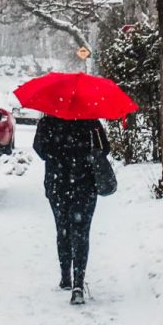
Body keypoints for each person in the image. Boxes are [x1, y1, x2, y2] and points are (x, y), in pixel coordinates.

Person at [33, 115, 110, 305]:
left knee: (63, 228)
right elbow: (105, 149)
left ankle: (65, 275)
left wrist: (57, 152)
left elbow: (40, 149)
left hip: (57, 183)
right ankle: (78, 282)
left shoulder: (48, 121)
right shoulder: (91, 121)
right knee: (81, 232)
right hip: (84, 184)